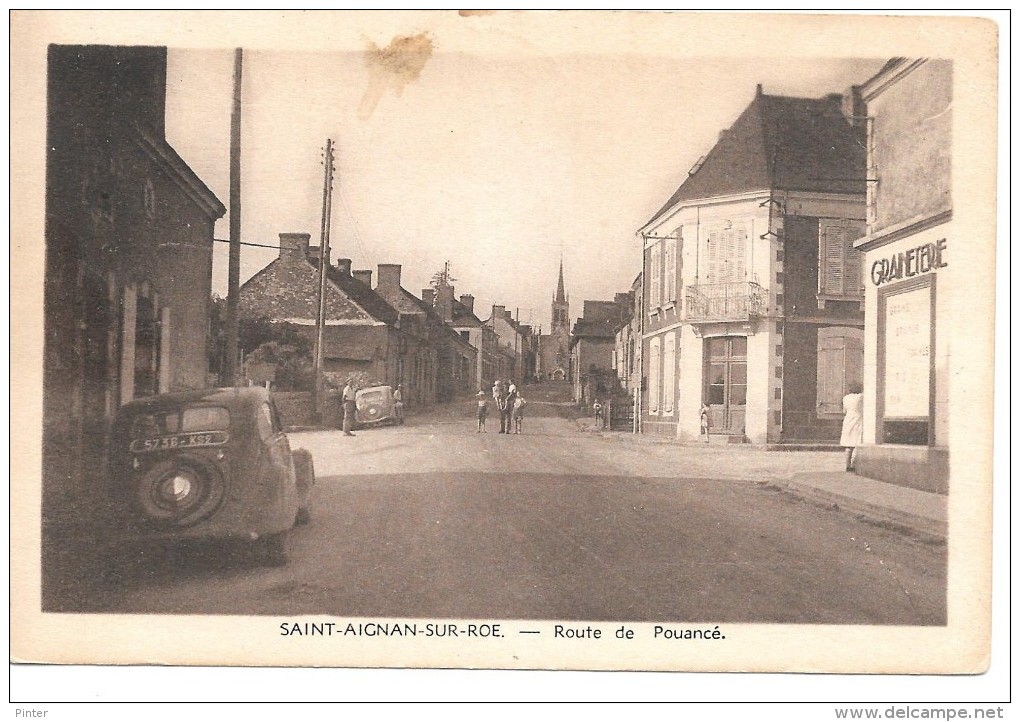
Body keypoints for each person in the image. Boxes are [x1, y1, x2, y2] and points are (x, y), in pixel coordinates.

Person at [840, 382, 864, 472]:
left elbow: (844, 411)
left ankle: (847, 465)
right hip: (858, 419)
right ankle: (854, 464)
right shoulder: (860, 397)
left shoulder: (846, 398)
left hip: (848, 420)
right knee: (857, 442)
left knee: (849, 445)